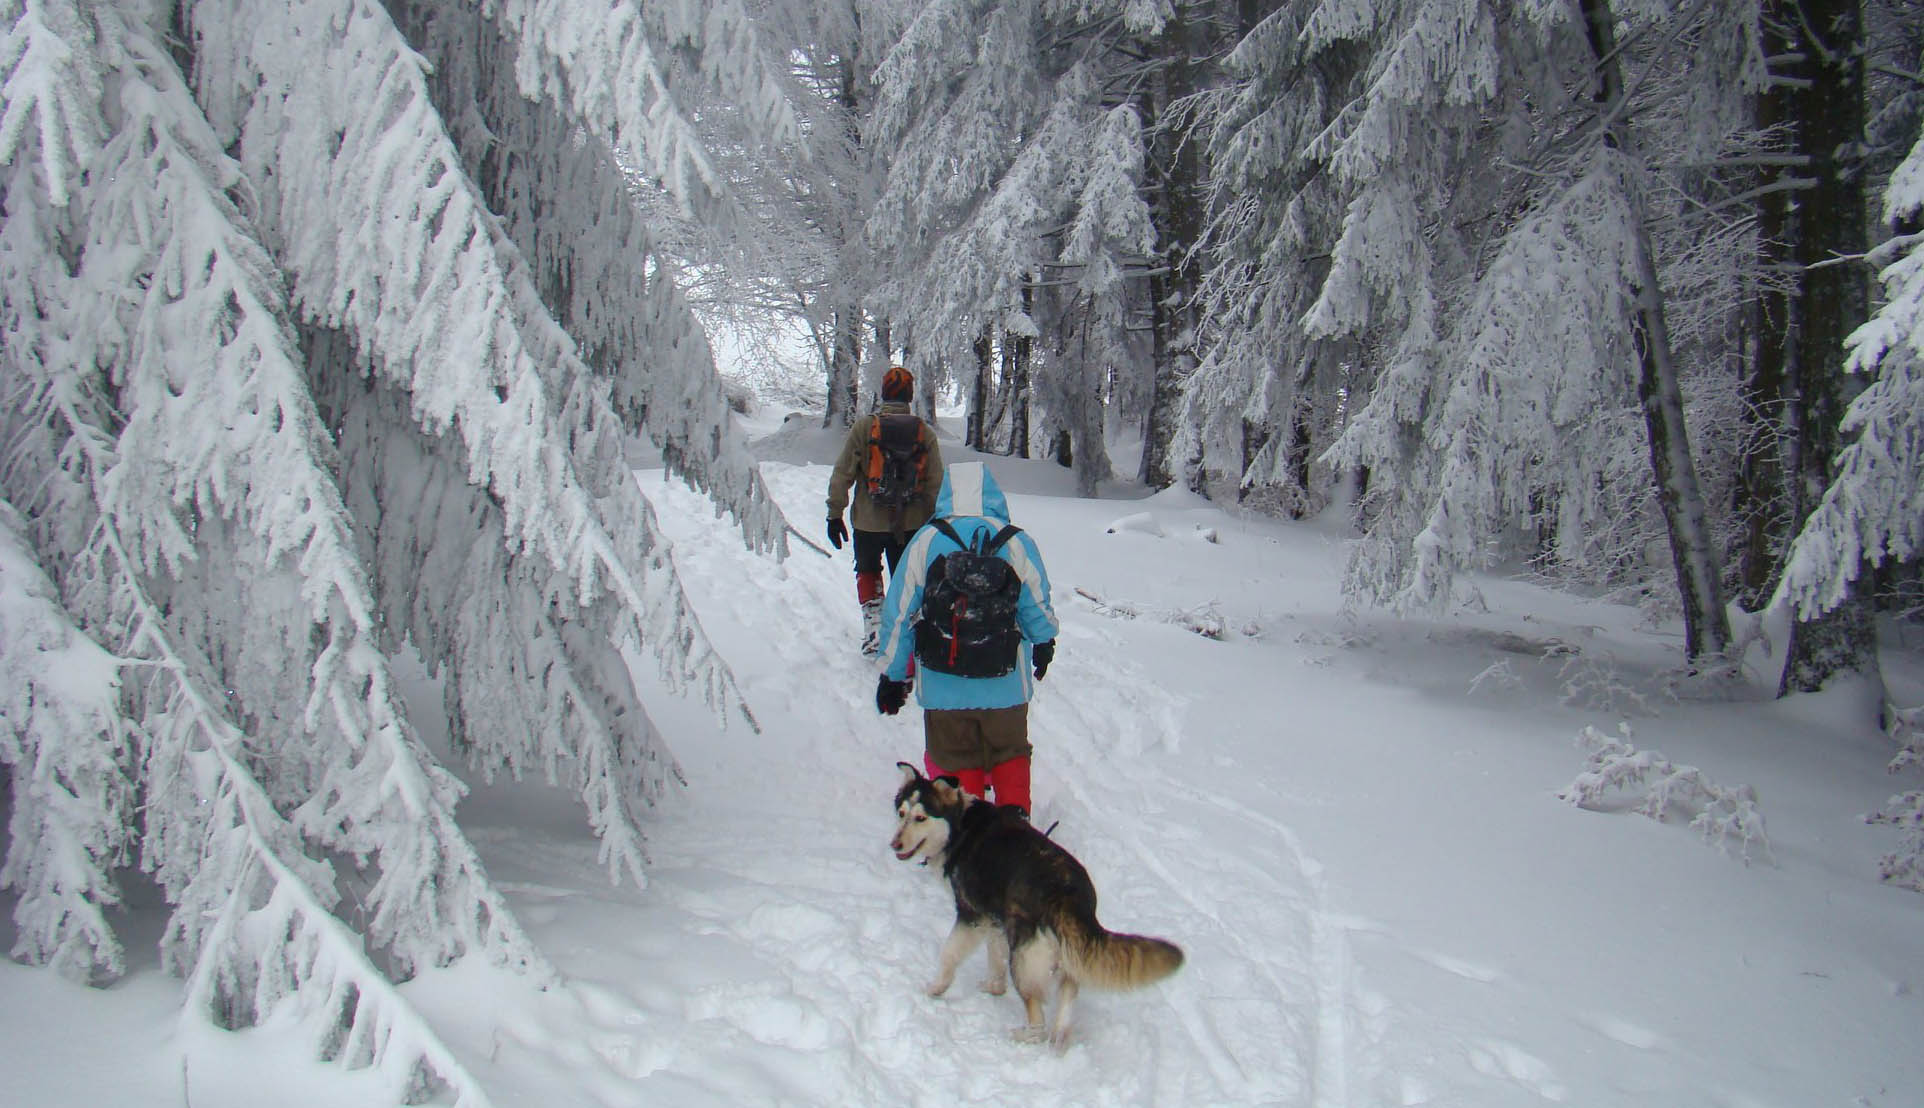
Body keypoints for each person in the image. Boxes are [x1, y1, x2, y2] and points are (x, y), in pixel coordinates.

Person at [872, 461, 1058, 817]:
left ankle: (967, 821)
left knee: (954, 755)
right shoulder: (1016, 540)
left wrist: (893, 675)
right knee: (1009, 750)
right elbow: (1037, 603)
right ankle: (1014, 818)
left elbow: (898, 613)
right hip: (1005, 684)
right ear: (993, 495)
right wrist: (1044, 642)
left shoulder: (925, 541)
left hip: (943, 684)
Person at [825, 366, 944, 655]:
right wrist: (936, 520)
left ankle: (875, 627)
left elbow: (843, 472)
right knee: (906, 578)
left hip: (868, 521)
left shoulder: (865, 427)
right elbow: (935, 481)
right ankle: (906, 634)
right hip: (911, 522)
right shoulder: (923, 431)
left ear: (883, 393)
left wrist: (834, 513)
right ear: (910, 396)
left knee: (868, 570)